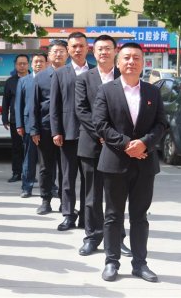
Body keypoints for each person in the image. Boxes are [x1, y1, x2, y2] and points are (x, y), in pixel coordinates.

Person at [93, 42, 167, 283]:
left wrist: (144, 143)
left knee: (140, 216)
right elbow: (100, 124)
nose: (131, 62)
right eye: (126, 57)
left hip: (145, 164)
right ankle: (111, 262)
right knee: (113, 215)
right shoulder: (106, 90)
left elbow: (162, 124)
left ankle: (140, 264)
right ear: (118, 62)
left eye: (136, 57)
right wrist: (127, 145)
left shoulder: (152, 91)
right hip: (115, 162)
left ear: (143, 63)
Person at [75, 34, 132, 258]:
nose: (104, 52)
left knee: (116, 196)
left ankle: (117, 239)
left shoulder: (124, 75)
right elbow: (81, 110)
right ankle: (92, 237)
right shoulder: (84, 78)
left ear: (115, 51)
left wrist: (113, 138)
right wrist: (101, 134)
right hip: (91, 144)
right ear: (94, 51)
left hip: (117, 146)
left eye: (108, 48)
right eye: (100, 49)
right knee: (92, 196)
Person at [50, 31, 92, 231]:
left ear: (87, 48)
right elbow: (54, 105)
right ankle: (68, 214)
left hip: (90, 134)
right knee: (67, 177)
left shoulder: (95, 72)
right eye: (74, 46)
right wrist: (56, 131)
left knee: (88, 178)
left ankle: (86, 216)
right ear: (68, 49)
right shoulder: (60, 73)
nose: (77, 49)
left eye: (81, 46)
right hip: (67, 133)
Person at [29, 40, 67, 215]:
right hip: (45, 129)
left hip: (68, 129)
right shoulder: (41, 77)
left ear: (67, 54)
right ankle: (45, 200)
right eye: (55, 51)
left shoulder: (73, 75)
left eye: (61, 51)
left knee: (66, 168)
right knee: (46, 167)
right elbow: (34, 105)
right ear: (49, 55)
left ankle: (65, 202)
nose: (58, 54)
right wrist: (34, 129)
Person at [15, 53, 47, 198]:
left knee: (48, 159)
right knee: (29, 158)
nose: (39, 64)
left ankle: (50, 186)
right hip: (28, 125)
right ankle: (26, 187)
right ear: (31, 64)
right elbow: (19, 104)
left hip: (47, 124)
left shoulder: (51, 78)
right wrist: (19, 125)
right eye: (36, 61)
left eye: (41, 61)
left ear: (46, 63)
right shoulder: (24, 81)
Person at [2, 54, 30, 182]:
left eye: (24, 63)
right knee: (17, 147)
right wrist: (5, 118)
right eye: (20, 64)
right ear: (15, 65)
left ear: (28, 64)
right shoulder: (10, 82)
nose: (22, 66)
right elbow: (6, 102)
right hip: (15, 120)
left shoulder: (34, 79)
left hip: (32, 119)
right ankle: (17, 173)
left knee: (30, 149)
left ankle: (29, 174)